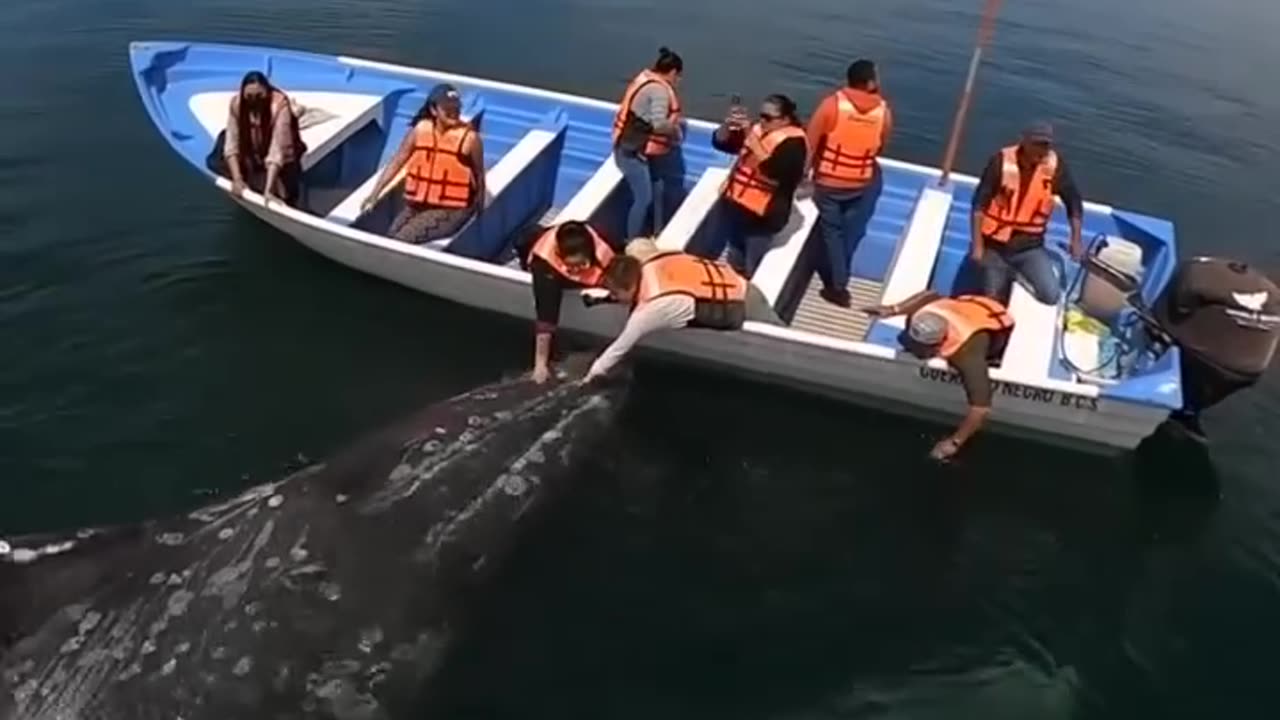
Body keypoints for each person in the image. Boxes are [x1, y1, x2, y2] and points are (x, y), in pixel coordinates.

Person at [861, 290, 1016, 461]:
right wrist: (893, 309)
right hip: (968, 306)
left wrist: (955, 442)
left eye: (920, 349)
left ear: (938, 345)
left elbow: (981, 409)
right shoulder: (924, 315)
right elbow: (932, 294)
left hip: (991, 322)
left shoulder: (966, 355)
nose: (913, 350)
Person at [581, 251, 782, 382]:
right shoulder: (651, 263)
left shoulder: (650, 312)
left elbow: (618, 349)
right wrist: (604, 298)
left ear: (629, 286)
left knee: (780, 341)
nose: (614, 296)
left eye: (615, 293)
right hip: (736, 283)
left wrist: (588, 379)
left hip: (745, 303)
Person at [805, 59, 894, 307]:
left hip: (829, 182)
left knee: (832, 232)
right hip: (861, 182)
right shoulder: (883, 112)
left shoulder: (831, 105)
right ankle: (838, 271)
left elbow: (810, 144)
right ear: (871, 83)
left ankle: (839, 287)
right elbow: (881, 146)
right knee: (846, 230)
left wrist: (804, 177)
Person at [971, 122, 1083, 305]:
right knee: (992, 300)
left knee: (1050, 295)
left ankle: (1015, 274)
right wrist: (978, 246)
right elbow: (978, 205)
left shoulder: (1055, 167)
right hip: (995, 246)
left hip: (1030, 247)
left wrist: (1076, 239)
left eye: (1046, 145)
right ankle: (1001, 277)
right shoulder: (1000, 162)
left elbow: (1074, 202)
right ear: (1024, 142)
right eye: (1037, 144)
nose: (1042, 150)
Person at [362, 84, 485, 244]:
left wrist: (480, 214)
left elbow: (479, 176)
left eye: (456, 108)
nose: (454, 112)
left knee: (402, 239)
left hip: (452, 210)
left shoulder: (470, 139)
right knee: (391, 234)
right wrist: (374, 195)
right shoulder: (420, 130)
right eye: (447, 108)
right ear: (434, 110)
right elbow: (397, 161)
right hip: (419, 204)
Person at [712, 94, 809, 277]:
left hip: (763, 216)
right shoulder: (756, 130)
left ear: (785, 120)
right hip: (737, 205)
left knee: (754, 263)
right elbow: (722, 144)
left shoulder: (794, 144)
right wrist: (727, 126)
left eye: (768, 118)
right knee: (734, 258)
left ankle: (751, 298)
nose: (762, 121)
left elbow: (778, 172)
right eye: (761, 115)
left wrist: (753, 142)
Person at [517, 220, 618, 383]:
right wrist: (540, 365)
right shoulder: (544, 265)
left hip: (572, 240)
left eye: (582, 264)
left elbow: (620, 273)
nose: (577, 270)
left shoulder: (601, 247)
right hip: (538, 250)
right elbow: (545, 317)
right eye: (572, 266)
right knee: (524, 239)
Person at [612, 47, 686, 239]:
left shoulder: (646, 79)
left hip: (637, 147)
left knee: (658, 186)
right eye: (678, 76)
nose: (678, 81)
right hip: (631, 152)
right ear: (672, 72)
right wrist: (676, 131)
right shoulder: (659, 90)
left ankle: (656, 231)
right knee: (643, 199)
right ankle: (632, 242)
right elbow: (659, 123)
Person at [221, 71, 306, 206]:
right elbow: (231, 142)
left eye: (259, 96)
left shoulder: (279, 105)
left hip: (279, 149)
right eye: (249, 96)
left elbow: (277, 148)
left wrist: (269, 190)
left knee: (289, 191)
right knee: (222, 144)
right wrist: (237, 178)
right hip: (251, 147)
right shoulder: (237, 104)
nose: (254, 101)